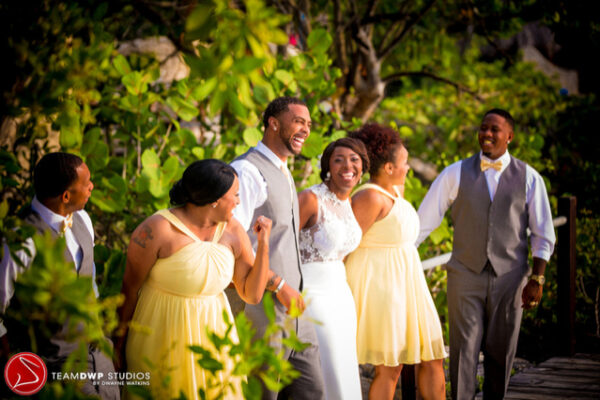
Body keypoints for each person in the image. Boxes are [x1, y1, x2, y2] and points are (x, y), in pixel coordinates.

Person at [416, 109, 556, 400]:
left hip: (511, 277)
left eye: (495, 129)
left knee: (501, 350)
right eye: (483, 128)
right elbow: (423, 222)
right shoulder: (455, 172)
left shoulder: (529, 178)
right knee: (463, 349)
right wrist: (399, 256)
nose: (487, 134)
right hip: (465, 275)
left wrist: (537, 279)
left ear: (510, 136)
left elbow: (543, 233)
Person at [117, 159, 272, 400]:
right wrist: (117, 349)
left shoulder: (233, 231)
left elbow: (251, 294)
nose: (239, 201)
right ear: (214, 200)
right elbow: (128, 290)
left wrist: (263, 245)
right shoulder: (157, 230)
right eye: (236, 195)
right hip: (161, 336)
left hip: (216, 339)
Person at [0, 152, 119, 399]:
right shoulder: (22, 237)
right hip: (55, 365)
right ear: (66, 196)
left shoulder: (83, 219)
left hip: (98, 352)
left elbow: (88, 278)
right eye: (86, 184)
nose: (91, 187)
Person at [231, 96, 326, 400]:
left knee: (312, 392)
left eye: (308, 124)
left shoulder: (283, 170)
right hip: (262, 310)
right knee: (262, 395)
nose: (306, 130)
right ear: (273, 123)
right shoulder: (246, 171)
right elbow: (233, 243)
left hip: (296, 312)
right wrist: (280, 284)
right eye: (299, 121)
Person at [346, 123, 447, 400]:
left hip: (409, 284)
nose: (409, 168)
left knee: (433, 358)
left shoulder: (395, 191)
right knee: (391, 367)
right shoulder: (369, 196)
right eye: (404, 162)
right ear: (389, 167)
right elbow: (345, 245)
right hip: (384, 288)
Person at [297, 138, 369, 400]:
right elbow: (280, 243)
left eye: (354, 160)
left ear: (362, 168)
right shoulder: (310, 198)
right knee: (327, 367)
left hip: (341, 295)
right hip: (312, 295)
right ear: (327, 165)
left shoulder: (348, 203)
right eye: (339, 159)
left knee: (345, 365)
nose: (347, 166)